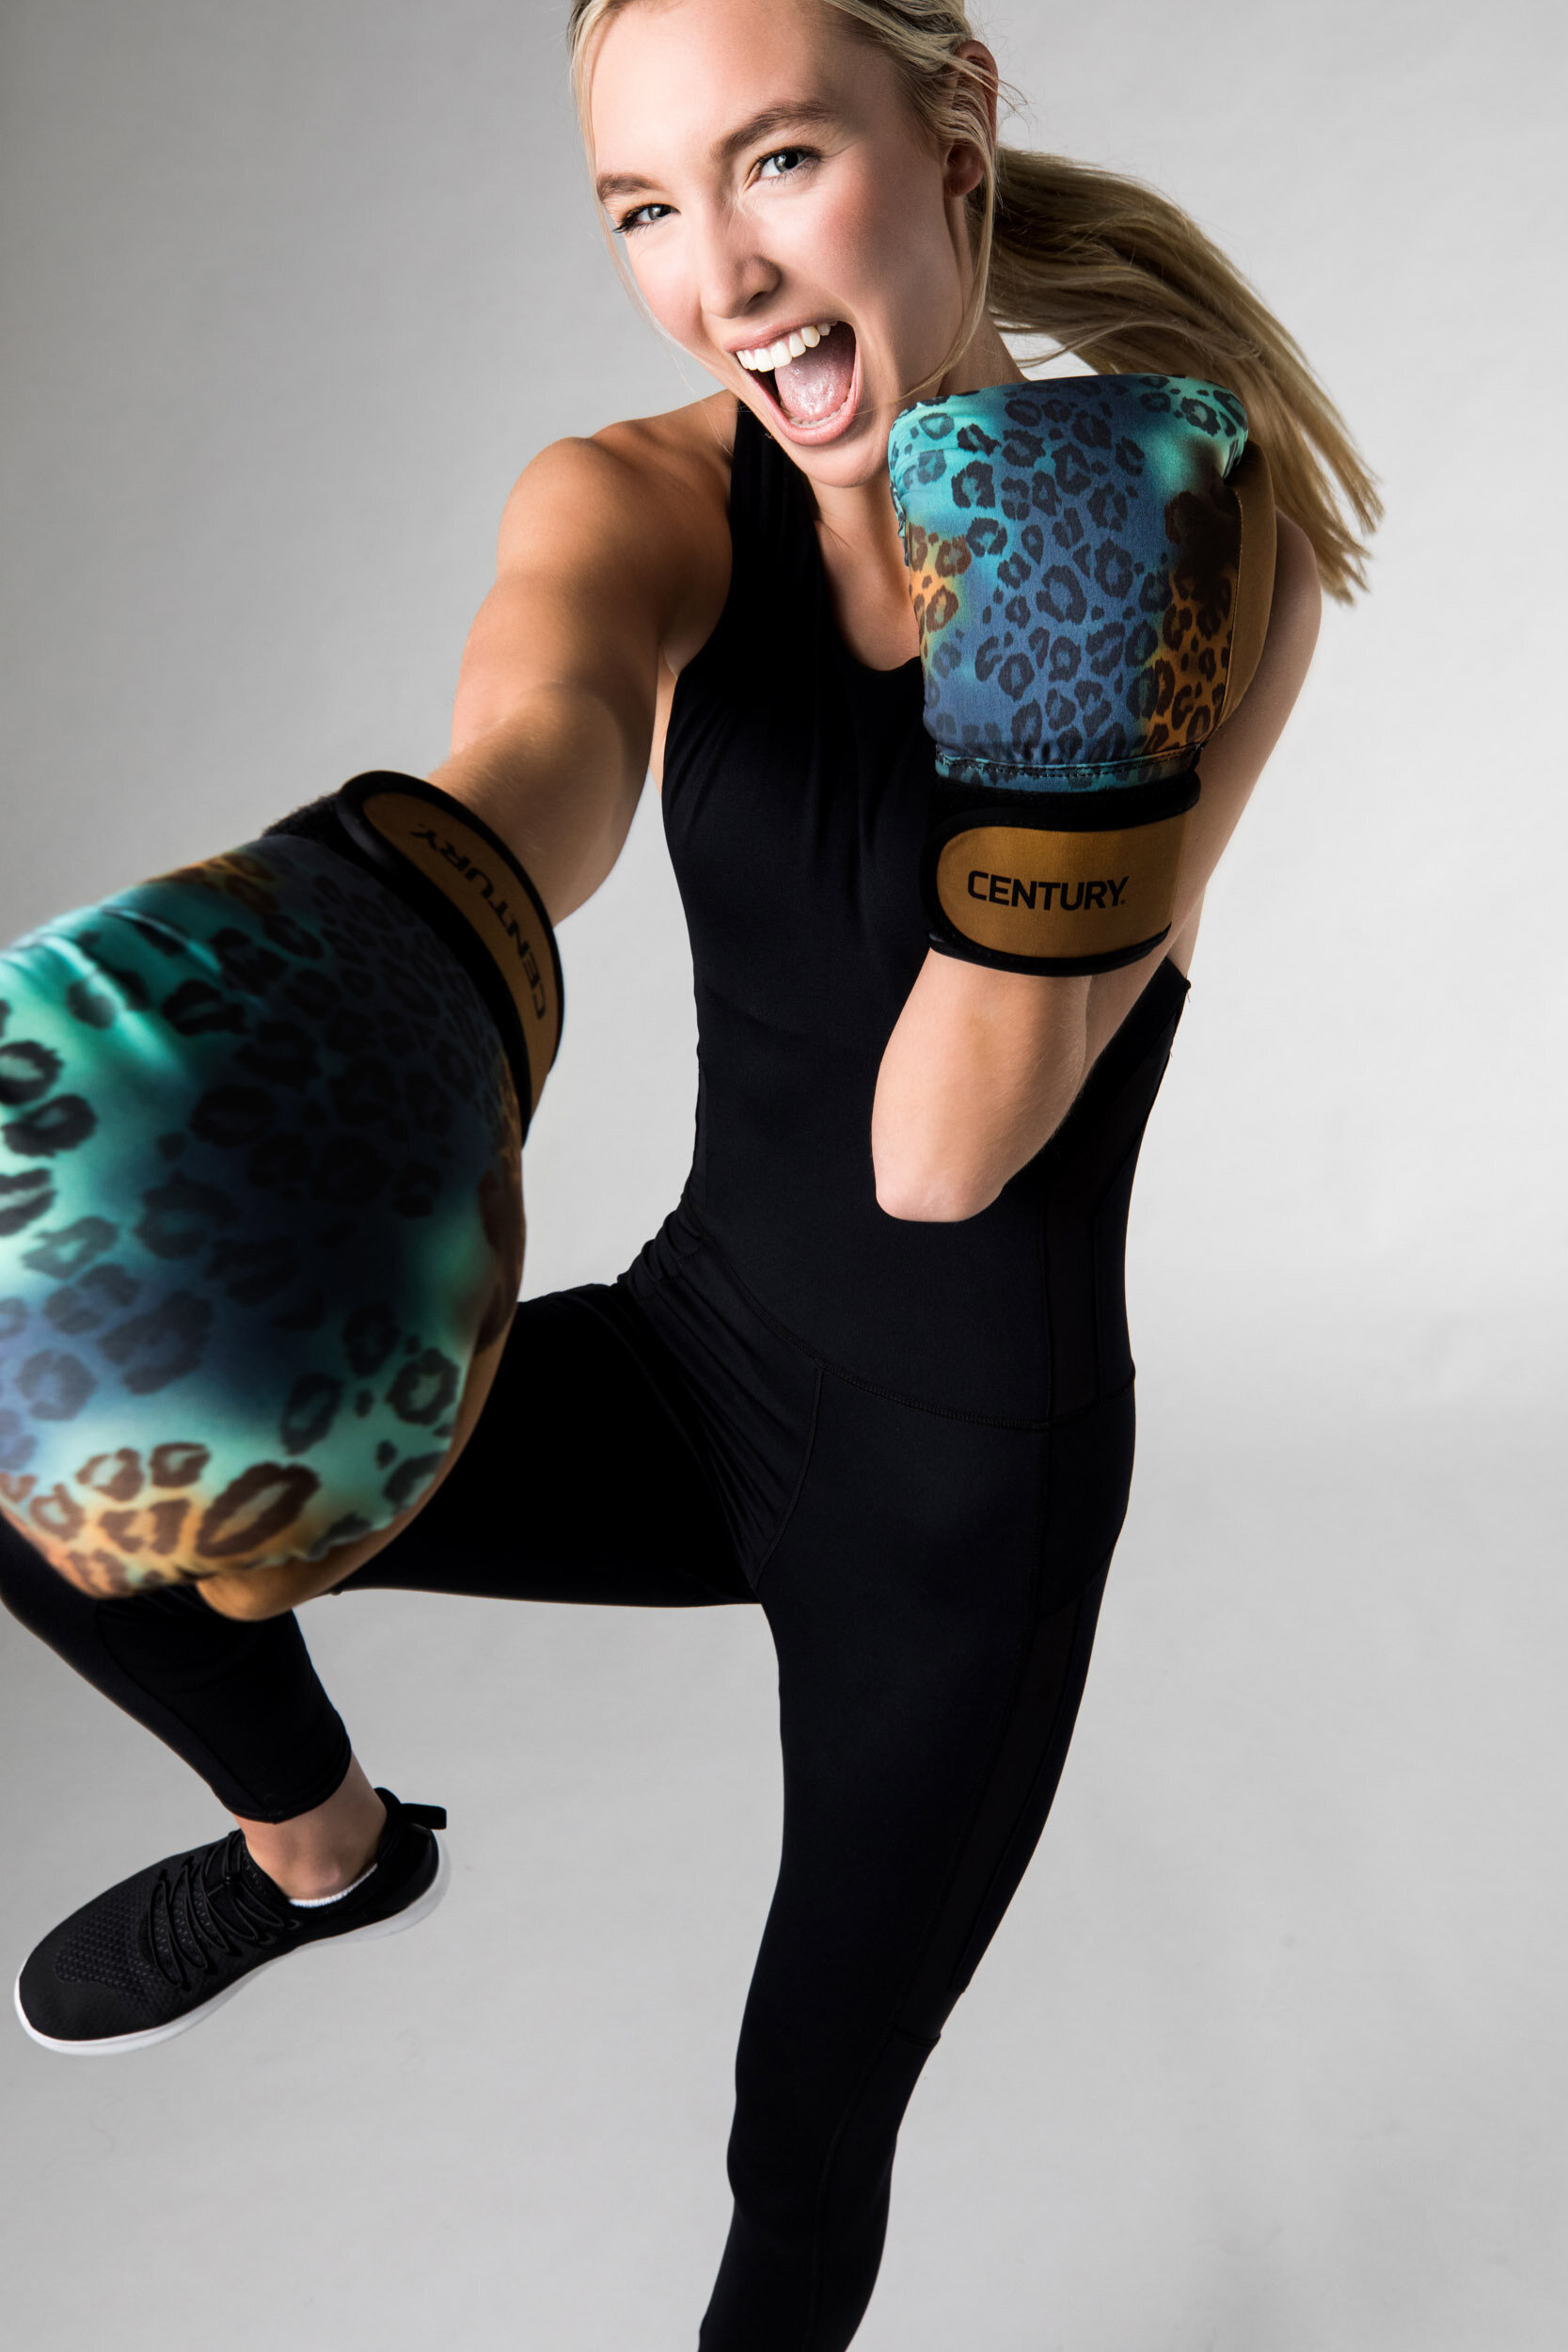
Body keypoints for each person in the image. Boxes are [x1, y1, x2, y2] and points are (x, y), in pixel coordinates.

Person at [0, 1, 1377, 2343]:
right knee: (33, 1412)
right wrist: (356, 934)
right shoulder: (634, 499)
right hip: (699, 1353)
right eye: (645, 205)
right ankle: (325, 1852)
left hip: (965, 1493)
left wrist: (1065, 637)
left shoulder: (1194, 536)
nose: (718, 274)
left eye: (776, 162)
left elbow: (946, 1146)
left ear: (954, 128)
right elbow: (537, 758)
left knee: (800, 2128)